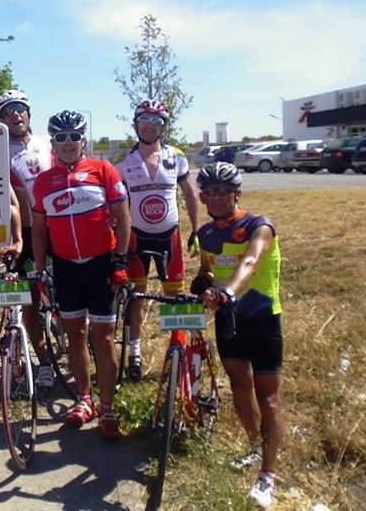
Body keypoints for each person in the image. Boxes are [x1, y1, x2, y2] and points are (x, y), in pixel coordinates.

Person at [31, 110, 131, 440]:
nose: (68, 143)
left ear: (83, 138)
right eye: (61, 138)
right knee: (75, 337)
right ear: (53, 143)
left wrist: (120, 261)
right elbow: (40, 230)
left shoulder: (103, 170)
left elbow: (123, 216)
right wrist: (40, 267)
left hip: (101, 264)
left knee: (103, 339)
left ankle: (108, 407)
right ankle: (84, 400)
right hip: (66, 268)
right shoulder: (44, 181)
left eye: (74, 136)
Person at [191, 162, 284, 509]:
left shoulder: (260, 225)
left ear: (237, 193)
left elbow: (250, 262)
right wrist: (202, 283)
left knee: (269, 398)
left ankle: (268, 476)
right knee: (240, 390)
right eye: (209, 191)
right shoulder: (205, 234)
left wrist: (227, 292)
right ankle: (255, 446)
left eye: (222, 190)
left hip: (262, 320)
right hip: (229, 322)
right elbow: (206, 269)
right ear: (201, 196)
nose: (215, 197)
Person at [115, 99, 201, 381]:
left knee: (174, 298)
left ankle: (175, 353)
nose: (150, 126)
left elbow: (189, 194)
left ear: (164, 126)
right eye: (145, 120)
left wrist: (197, 229)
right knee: (136, 299)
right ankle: (134, 354)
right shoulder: (124, 164)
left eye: (157, 121)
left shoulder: (176, 157)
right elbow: (115, 207)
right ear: (136, 123)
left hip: (170, 236)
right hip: (137, 240)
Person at [0, 90, 55, 390]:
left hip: (58, 230)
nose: (15, 115)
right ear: (1, 119)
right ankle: (44, 363)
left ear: (29, 112)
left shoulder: (48, 144)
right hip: (27, 235)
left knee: (69, 298)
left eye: (19, 108)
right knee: (29, 303)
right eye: (7, 111)